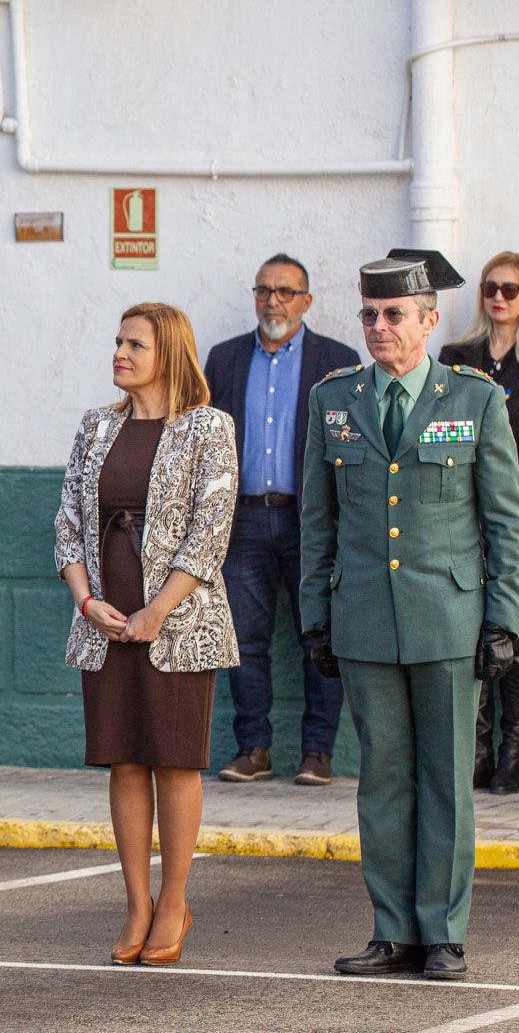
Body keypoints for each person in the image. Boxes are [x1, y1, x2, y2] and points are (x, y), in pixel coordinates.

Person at [302, 248, 519, 981]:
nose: (378, 326)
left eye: (394, 314)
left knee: (445, 779)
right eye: (369, 313)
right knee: (383, 779)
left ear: (429, 320)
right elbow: (318, 520)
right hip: (365, 618)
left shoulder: (474, 400)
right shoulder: (334, 400)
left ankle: (444, 932)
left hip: (447, 619)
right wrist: (316, 616)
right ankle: (392, 928)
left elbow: (506, 524)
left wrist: (504, 619)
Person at [55, 302, 239, 968]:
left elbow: (210, 530)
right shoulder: (96, 426)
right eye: (117, 341)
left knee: (174, 759)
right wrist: (86, 601)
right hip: (106, 624)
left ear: (170, 353)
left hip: (179, 624)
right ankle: (136, 901)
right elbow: (68, 524)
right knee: (124, 758)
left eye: (135, 343)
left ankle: (174, 901)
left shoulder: (207, 428)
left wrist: (157, 610)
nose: (120, 353)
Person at [203, 254, 360, 786]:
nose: (273, 301)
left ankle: (318, 753)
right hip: (242, 521)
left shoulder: (336, 361)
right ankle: (253, 748)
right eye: (264, 290)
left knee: (320, 636)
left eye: (286, 292)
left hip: (309, 521)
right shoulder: (224, 360)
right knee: (244, 641)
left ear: (307, 301)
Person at [439, 251, 519, 794]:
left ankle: (511, 757)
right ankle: (476, 754)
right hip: (461, 522)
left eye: (511, 289)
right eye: (489, 288)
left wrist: (492, 473)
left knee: (515, 634)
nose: (498, 297)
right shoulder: (458, 358)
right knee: (469, 635)